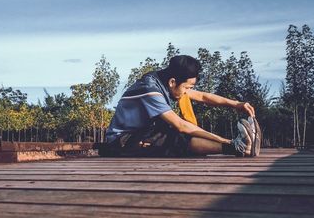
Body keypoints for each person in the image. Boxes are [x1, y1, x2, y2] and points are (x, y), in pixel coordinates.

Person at [99, 55, 261, 157]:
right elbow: (181, 126)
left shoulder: (166, 82)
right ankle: (237, 147)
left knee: (181, 133)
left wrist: (237, 104)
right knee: (179, 138)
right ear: (172, 82)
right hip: (122, 141)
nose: (187, 92)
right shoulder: (150, 90)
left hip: (143, 133)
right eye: (187, 87)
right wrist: (227, 141)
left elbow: (202, 96)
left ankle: (239, 146)